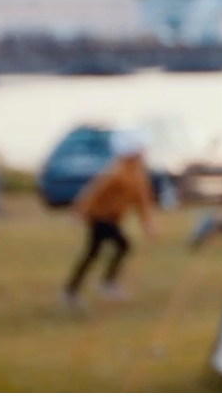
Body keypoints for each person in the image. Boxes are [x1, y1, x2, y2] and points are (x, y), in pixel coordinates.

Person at [62, 129, 159, 311]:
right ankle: (101, 285)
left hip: (113, 220)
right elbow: (92, 193)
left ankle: (74, 289)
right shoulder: (117, 172)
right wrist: (79, 212)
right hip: (100, 218)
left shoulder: (137, 173)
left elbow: (143, 202)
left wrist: (148, 225)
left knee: (94, 253)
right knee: (119, 246)